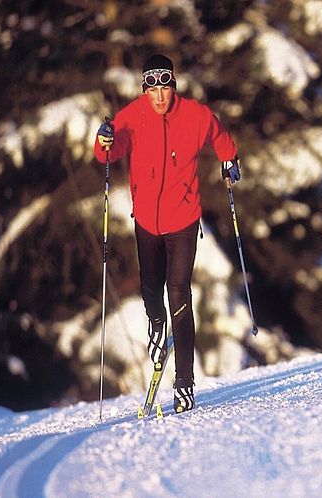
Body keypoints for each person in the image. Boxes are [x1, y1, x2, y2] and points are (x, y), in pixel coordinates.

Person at [93, 54, 242, 412]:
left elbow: (219, 134)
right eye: (152, 89)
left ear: (173, 85)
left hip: (184, 220)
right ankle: (155, 325)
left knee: (179, 295)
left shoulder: (195, 115)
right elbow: (106, 154)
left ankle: (185, 383)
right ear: (144, 90)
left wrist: (229, 159)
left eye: (165, 87)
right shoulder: (132, 117)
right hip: (146, 220)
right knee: (150, 289)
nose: (159, 96)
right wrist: (104, 139)